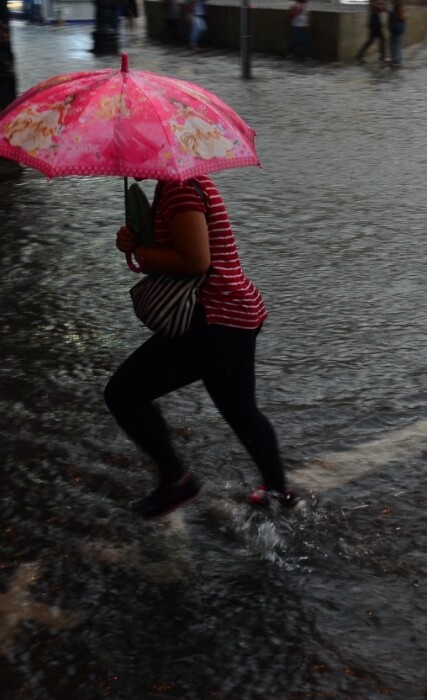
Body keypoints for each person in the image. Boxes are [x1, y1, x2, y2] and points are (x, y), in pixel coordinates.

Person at [108, 177, 301, 518]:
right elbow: (176, 248)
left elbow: (196, 260)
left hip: (214, 317)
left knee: (124, 393)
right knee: (242, 411)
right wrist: (135, 242)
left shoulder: (181, 188)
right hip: (234, 314)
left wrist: (142, 253)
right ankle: (278, 494)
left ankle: (176, 480)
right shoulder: (176, 185)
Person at [387, 0, 406, 66]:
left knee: (396, 45)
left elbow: (401, 18)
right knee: (394, 45)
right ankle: (395, 59)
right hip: (394, 29)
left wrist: (392, 13)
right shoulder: (395, 7)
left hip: (396, 29)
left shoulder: (398, 7)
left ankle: (397, 60)